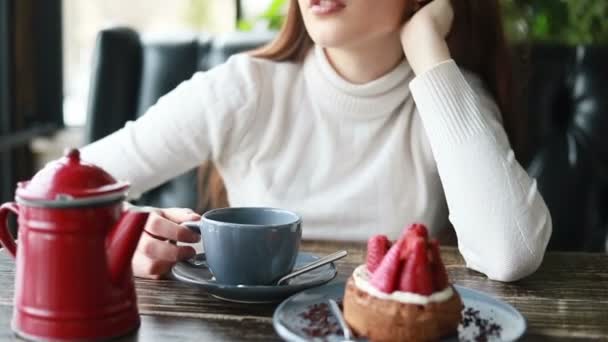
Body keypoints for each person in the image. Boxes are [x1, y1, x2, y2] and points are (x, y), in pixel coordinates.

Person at [81, 0, 552, 281]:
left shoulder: (446, 93)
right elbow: (53, 192)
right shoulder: (241, 88)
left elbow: (510, 251)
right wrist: (125, 231)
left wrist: (426, 43)